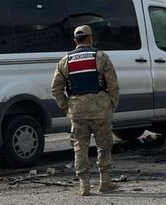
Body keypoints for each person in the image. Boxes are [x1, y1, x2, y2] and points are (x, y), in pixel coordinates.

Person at [51, 25, 120, 196]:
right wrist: (112, 104)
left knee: (79, 147)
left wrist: (67, 107)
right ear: (90, 38)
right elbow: (113, 84)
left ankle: (84, 185)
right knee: (104, 146)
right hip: (100, 110)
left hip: (77, 110)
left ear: (75, 41)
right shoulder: (101, 57)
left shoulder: (65, 61)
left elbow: (56, 89)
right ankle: (105, 182)